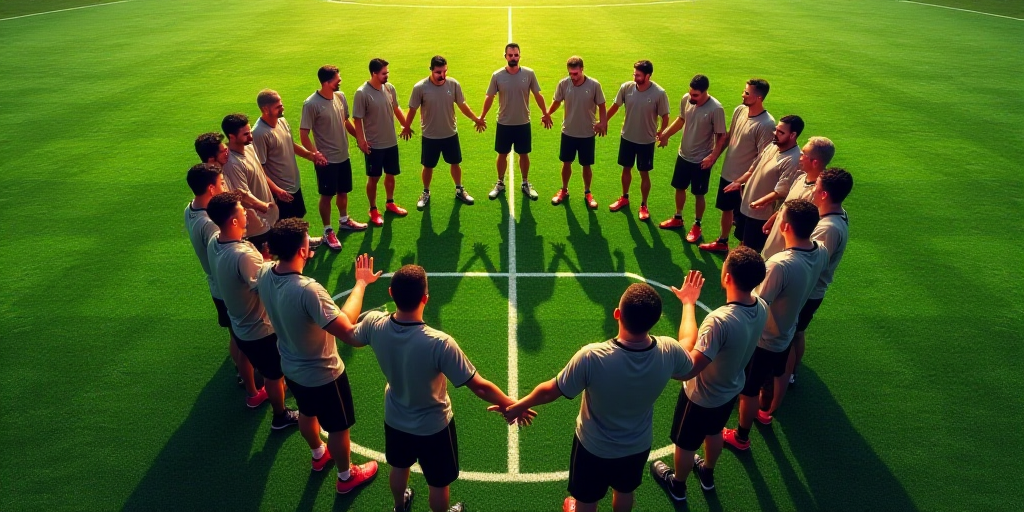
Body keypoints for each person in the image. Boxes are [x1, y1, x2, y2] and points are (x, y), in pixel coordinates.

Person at [503, 279, 705, 512]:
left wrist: (520, 405)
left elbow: (552, 389)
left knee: (586, 500)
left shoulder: (592, 357)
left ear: (617, 314)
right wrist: (688, 303)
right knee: (625, 491)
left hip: (593, 448)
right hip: (637, 446)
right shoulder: (669, 350)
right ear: (656, 320)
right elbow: (688, 346)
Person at [351, 264, 534, 512]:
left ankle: (399, 506)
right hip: (433, 426)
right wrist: (511, 404)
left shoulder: (373, 323)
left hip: (395, 418)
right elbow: (479, 386)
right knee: (438, 483)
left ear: (391, 293)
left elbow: (347, 332)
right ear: (425, 298)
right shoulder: (439, 343)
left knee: (399, 467)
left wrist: (360, 284)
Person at [257, 223, 380, 493]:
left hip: (291, 367)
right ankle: (346, 477)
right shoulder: (308, 290)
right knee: (338, 427)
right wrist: (361, 283)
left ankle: (318, 454)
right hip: (324, 375)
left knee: (307, 411)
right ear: (302, 251)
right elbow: (347, 328)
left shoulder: (265, 272)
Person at [649, 247, 768, 501]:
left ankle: (678, 485)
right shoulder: (761, 305)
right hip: (730, 390)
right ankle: (706, 470)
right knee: (714, 432)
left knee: (685, 444)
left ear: (727, 277)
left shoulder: (719, 322)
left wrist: (688, 304)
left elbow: (689, 367)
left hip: (700, 397)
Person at [722, 199, 828, 451]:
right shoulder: (821, 250)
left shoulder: (779, 264)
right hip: (788, 329)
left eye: (781, 216)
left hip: (765, 338)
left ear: (786, 227)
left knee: (749, 389)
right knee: (780, 371)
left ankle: (741, 437)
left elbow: (759, 303)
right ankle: (767, 413)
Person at [205, 191, 299, 429]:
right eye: (242, 210)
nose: (246, 213)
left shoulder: (214, 240)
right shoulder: (243, 254)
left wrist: (262, 259)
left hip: (238, 323)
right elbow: (266, 286)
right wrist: (278, 263)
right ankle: (280, 416)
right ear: (233, 221)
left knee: (245, 355)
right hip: (260, 329)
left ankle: (252, 394)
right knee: (274, 375)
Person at [185, 162, 251, 388]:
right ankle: (247, 377)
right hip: (226, 287)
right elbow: (224, 255)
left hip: (216, 285)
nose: (224, 187)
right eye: (221, 183)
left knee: (235, 334)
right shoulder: (211, 224)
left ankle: (241, 371)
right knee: (242, 336)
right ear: (211, 189)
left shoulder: (190, 209)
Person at [789, 167, 853, 384]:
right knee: (796, 331)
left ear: (824, 194)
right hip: (809, 289)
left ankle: (789, 373)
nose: (812, 190)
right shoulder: (835, 215)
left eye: (816, 186)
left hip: (808, 291)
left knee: (793, 334)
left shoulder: (828, 228)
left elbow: (812, 264)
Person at [699, 79, 775, 253]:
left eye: (747, 93)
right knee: (726, 209)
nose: (743, 95)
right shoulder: (739, 110)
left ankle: (741, 253)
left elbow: (763, 158)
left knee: (743, 218)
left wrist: (742, 181)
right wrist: (714, 157)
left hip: (744, 182)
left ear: (759, 98)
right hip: (728, 173)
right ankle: (723, 241)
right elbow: (728, 136)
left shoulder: (766, 124)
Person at [402, 55, 485, 210]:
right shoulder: (420, 88)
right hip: (430, 135)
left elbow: (462, 105)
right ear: (431, 70)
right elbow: (413, 110)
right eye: (438, 72)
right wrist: (406, 126)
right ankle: (426, 192)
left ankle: (459, 189)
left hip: (450, 133)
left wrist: (476, 119)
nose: (442, 75)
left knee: (455, 163)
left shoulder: (453, 84)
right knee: (428, 166)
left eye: (445, 71)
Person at [300, 65, 369, 252]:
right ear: (326, 82)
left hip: (343, 155)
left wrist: (360, 139)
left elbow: (346, 121)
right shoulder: (311, 104)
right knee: (327, 196)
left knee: (343, 191)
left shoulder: (340, 96)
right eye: (337, 79)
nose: (340, 81)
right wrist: (315, 153)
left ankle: (344, 220)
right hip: (326, 160)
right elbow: (304, 134)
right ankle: (327, 230)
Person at [656, 74, 727, 243]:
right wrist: (665, 134)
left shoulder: (716, 109)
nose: (691, 98)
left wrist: (712, 157)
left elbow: (721, 136)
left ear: (705, 92)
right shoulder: (686, 99)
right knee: (679, 187)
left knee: (698, 194)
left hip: (701, 160)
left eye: (695, 95)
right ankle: (678, 217)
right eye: (690, 93)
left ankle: (697, 224)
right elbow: (681, 119)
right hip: (683, 155)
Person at [722, 115, 804, 253]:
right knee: (742, 242)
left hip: (761, 216)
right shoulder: (773, 145)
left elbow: (781, 191)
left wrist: (759, 202)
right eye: (776, 129)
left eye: (781, 132)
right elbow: (753, 169)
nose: (775, 133)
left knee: (751, 251)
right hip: (747, 208)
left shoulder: (793, 159)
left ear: (793, 135)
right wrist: (738, 182)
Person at [480, 43, 550, 201]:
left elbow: (537, 95)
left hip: (523, 122)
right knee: (502, 154)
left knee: (524, 154)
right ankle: (500, 183)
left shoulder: (529, 74)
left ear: (520, 56)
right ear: (505, 56)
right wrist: (482, 116)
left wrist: (545, 113)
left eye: (516, 55)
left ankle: (525, 183)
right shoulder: (497, 75)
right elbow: (489, 97)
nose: (513, 57)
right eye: (510, 55)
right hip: (504, 123)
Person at [605, 60, 670, 221]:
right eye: (634, 74)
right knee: (626, 168)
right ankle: (624, 197)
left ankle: (644, 205)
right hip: (627, 137)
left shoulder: (659, 93)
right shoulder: (626, 87)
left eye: (638, 75)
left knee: (644, 173)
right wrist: (603, 121)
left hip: (646, 141)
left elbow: (665, 116)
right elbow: (615, 106)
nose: (635, 77)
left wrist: (663, 133)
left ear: (648, 76)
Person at [546, 55, 607, 208]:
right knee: (566, 163)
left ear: (582, 69)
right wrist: (548, 113)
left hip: (587, 133)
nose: (573, 77)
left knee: (586, 165)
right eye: (570, 73)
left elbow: (602, 105)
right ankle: (564, 190)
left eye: (576, 73)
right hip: (568, 132)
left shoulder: (594, 85)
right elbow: (557, 102)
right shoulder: (563, 84)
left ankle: (587, 192)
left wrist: (603, 122)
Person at [354, 58, 409, 226]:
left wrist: (405, 125)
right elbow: (357, 119)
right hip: (374, 145)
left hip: (391, 142)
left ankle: (390, 202)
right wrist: (361, 140)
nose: (387, 75)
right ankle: (373, 209)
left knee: (391, 174)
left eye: (387, 72)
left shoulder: (389, 88)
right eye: (384, 73)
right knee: (374, 178)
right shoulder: (362, 93)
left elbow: (396, 108)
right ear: (374, 73)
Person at [760, 136, 835, 259]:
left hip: (783, 257)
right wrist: (774, 218)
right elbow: (787, 204)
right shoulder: (801, 178)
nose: (799, 156)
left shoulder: (816, 194)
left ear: (815, 162)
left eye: (803, 154)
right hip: (772, 247)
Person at [220, 113, 280, 255]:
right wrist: (264, 207)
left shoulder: (249, 147)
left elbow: (260, 173)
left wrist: (276, 190)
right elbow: (243, 197)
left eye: (250, 132)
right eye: (246, 134)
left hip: (268, 218)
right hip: (257, 227)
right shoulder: (232, 164)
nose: (251, 137)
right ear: (232, 137)